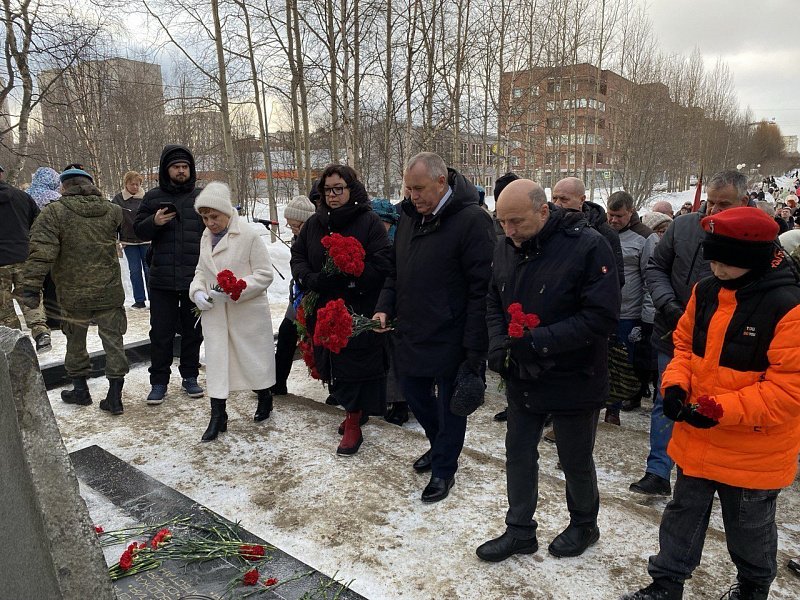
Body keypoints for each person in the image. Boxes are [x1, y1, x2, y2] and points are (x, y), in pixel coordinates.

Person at [622, 207, 800, 600]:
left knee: (749, 529)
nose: (716, 269)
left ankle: (752, 587)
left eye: (725, 262)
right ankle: (666, 583)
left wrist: (719, 410)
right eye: (712, 260)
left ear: (754, 260)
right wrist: (675, 386)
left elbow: (789, 391)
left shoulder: (789, 307)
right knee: (681, 518)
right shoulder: (705, 292)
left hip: (753, 450)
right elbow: (683, 347)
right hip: (698, 440)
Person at [476, 179, 619, 562]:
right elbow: (493, 300)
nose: (509, 231)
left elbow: (601, 317)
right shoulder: (506, 246)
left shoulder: (587, 246)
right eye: (502, 222)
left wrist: (538, 341)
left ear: (543, 211)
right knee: (519, 453)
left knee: (574, 458)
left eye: (516, 222)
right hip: (524, 373)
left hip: (575, 374)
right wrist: (498, 344)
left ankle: (584, 524)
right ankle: (519, 530)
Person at [374, 152, 494, 503]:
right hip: (413, 330)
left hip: (453, 334)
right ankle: (441, 445)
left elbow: (482, 290)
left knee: (449, 407)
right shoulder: (409, 217)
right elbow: (395, 272)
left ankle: (444, 469)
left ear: (442, 182)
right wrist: (384, 307)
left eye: (420, 189)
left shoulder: (472, 221)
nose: (413, 196)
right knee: (413, 393)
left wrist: (474, 348)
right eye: (409, 189)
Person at [630, 170, 750, 497]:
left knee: (714, 404)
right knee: (667, 398)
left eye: (723, 204)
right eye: (710, 202)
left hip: (727, 343)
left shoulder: (754, 236)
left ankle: (709, 475)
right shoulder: (682, 227)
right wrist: (668, 305)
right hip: (673, 331)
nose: (713, 210)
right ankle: (658, 471)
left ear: (743, 201)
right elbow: (656, 268)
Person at [291, 164, 392, 455]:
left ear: (351, 189)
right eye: (327, 190)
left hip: (357, 307)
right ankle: (353, 412)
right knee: (332, 364)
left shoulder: (369, 222)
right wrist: (313, 279)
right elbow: (298, 257)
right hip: (323, 305)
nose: (332, 195)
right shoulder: (315, 223)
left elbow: (383, 262)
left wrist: (352, 276)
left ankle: (353, 421)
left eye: (339, 189)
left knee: (354, 367)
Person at [22, 167, 127, 414]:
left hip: (73, 293)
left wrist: (31, 288)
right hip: (109, 290)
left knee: (75, 341)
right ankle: (115, 397)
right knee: (114, 341)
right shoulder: (113, 210)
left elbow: (41, 252)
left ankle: (80, 391)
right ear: (90, 184)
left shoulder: (54, 212)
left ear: (64, 186)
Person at [189, 182, 276, 441]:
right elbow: (200, 271)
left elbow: (264, 274)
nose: (210, 223)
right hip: (216, 315)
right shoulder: (206, 238)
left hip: (246, 313)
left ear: (226, 212)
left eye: (214, 216)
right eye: (205, 218)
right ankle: (218, 414)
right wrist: (198, 292)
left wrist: (236, 288)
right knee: (217, 363)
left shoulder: (248, 235)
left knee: (253, 360)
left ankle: (264, 395)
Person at [134, 145, 205, 405]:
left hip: (194, 278)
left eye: (185, 167)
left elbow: (217, 228)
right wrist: (154, 222)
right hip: (162, 278)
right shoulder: (153, 197)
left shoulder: (202, 197)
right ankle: (159, 382)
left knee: (193, 332)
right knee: (160, 333)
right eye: (176, 167)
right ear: (166, 170)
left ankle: (190, 376)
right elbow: (137, 230)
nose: (181, 171)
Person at [606, 191, 658, 420]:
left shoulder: (645, 238)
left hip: (629, 313)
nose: (613, 220)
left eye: (619, 216)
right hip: (603, 309)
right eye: (610, 214)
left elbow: (651, 279)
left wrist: (647, 316)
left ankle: (614, 409)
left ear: (631, 212)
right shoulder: (602, 233)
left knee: (622, 363)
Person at [0, 165, 51, 352]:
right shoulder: (22, 196)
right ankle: (40, 332)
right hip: (23, 256)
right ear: (2, 174)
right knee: (29, 296)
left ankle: (15, 345)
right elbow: (39, 225)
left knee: (3, 307)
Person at [271, 194, 315, 396]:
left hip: (314, 295)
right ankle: (277, 382)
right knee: (286, 333)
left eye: (296, 225)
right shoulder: (297, 239)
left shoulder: (319, 239)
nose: (293, 229)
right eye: (290, 225)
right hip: (297, 296)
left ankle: (335, 389)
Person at [370, 198, 408, 427]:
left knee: (396, 356)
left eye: (381, 222)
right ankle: (387, 399)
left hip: (396, 303)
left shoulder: (397, 241)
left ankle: (401, 403)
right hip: (379, 303)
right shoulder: (373, 240)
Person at [113, 171, 150, 309]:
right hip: (128, 241)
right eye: (132, 184)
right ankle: (139, 299)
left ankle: (154, 298)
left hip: (146, 240)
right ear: (126, 184)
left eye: (137, 184)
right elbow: (114, 220)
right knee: (134, 271)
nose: (135, 187)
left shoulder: (147, 198)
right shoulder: (118, 200)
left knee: (149, 270)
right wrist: (116, 239)